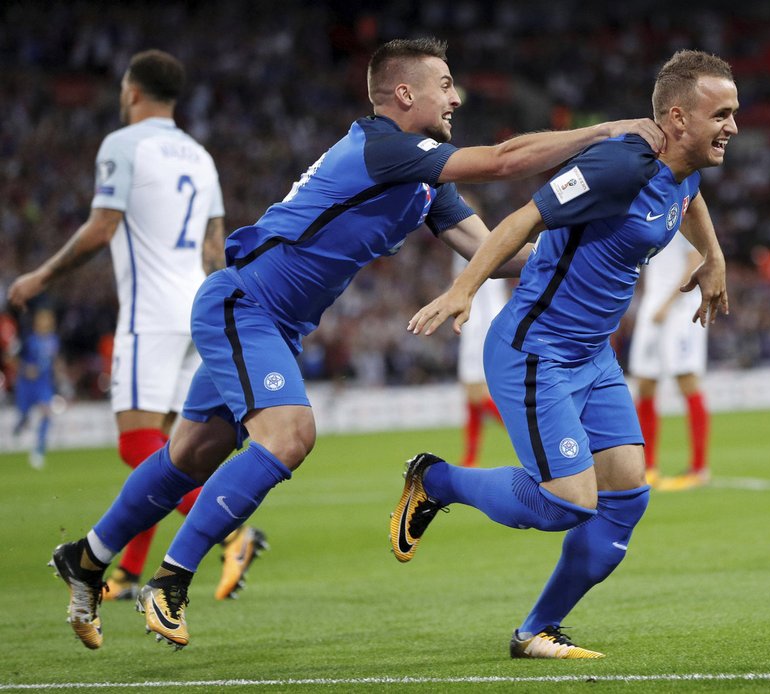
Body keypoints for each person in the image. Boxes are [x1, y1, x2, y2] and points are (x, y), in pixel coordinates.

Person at [32, 37, 664, 652]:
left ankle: (87, 558)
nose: (456, 98)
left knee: (191, 453)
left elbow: (494, 252)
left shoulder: (424, 183)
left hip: (273, 324)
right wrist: (601, 132)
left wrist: (587, 256)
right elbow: (501, 162)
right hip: (243, 304)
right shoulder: (383, 147)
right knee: (290, 435)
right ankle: (170, 582)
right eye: (445, 86)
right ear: (403, 91)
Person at [397, 49, 736, 659]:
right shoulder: (616, 164)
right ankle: (437, 481)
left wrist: (713, 257)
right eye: (722, 115)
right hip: (536, 350)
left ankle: (535, 631)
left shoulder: (687, 162)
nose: (733, 127)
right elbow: (523, 219)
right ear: (678, 118)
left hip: (593, 356)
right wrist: (464, 288)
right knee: (567, 504)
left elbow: (690, 196)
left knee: (627, 496)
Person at [7, 49, 263, 648]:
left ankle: (230, 533)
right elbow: (214, 245)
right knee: (173, 451)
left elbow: (101, 227)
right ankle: (113, 568)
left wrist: (40, 278)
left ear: (131, 91)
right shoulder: (201, 157)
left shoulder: (123, 144)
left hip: (150, 315)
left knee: (135, 442)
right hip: (198, 311)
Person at [628, 233, 711, 491]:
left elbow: (695, 258)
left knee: (686, 379)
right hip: (653, 305)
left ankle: (699, 468)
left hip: (680, 307)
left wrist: (668, 302)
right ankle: (649, 467)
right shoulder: (648, 211)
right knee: (644, 383)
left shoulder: (683, 210)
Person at [453, 250, 508, 467]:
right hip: (478, 325)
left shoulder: (473, 248)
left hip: (481, 327)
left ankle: (526, 432)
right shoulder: (481, 243)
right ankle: (470, 458)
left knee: (476, 394)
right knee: (471, 394)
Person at [12, 307, 61, 470]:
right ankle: (19, 426)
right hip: (26, 385)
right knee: (24, 417)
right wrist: (25, 369)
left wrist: (59, 375)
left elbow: (54, 360)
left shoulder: (54, 340)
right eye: (43, 318)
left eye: (48, 318)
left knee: (46, 413)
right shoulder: (28, 339)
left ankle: (39, 451)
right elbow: (10, 357)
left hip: (44, 384)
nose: (46, 322)